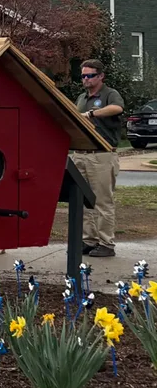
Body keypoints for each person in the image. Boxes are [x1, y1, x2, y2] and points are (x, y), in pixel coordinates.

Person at [73, 59, 125, 258]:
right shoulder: (81, 98)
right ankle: (89, 240)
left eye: (90, 75)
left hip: (102, 156)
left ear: (100, 76)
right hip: (81, 154)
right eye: (83, 76)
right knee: (85, 200)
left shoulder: (109, 94)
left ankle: (106, 243)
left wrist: (92, 114)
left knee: (103, 201)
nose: (86, 79)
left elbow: (117, 109)